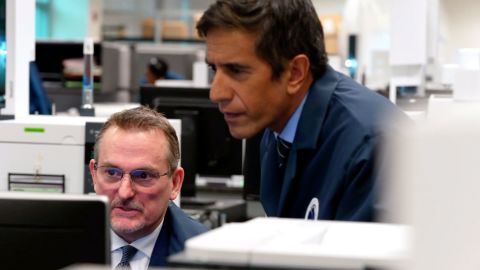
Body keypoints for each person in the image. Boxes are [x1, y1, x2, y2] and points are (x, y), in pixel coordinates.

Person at [196, 0, 408, 221]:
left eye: (237, 70)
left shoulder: (373, 145)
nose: (216, 93)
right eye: (214, 69)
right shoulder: (275, 129)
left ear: (295, 73)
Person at [89, 106, 208, 269]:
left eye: (143, 176)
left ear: (175, 183)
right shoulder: (53, 241)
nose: (125, 193)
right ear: (94, 174)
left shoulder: (205, 256)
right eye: (112, 172)